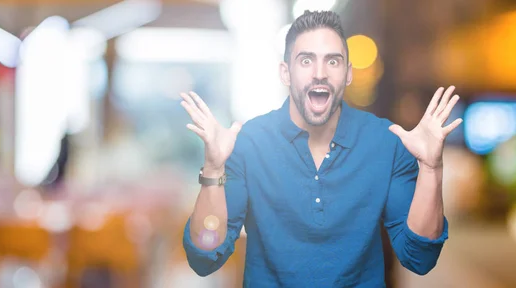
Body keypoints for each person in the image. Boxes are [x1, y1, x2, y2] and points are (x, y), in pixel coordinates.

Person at [179, 10, 462, 287]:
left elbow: (420, 258)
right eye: (305, 60)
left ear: (348, 74)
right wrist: (214, 169)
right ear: (285, 73)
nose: (319, 74)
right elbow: (205, 256)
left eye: (333, 61)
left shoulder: (386, 142)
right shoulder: (248, 142)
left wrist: (431, 167)